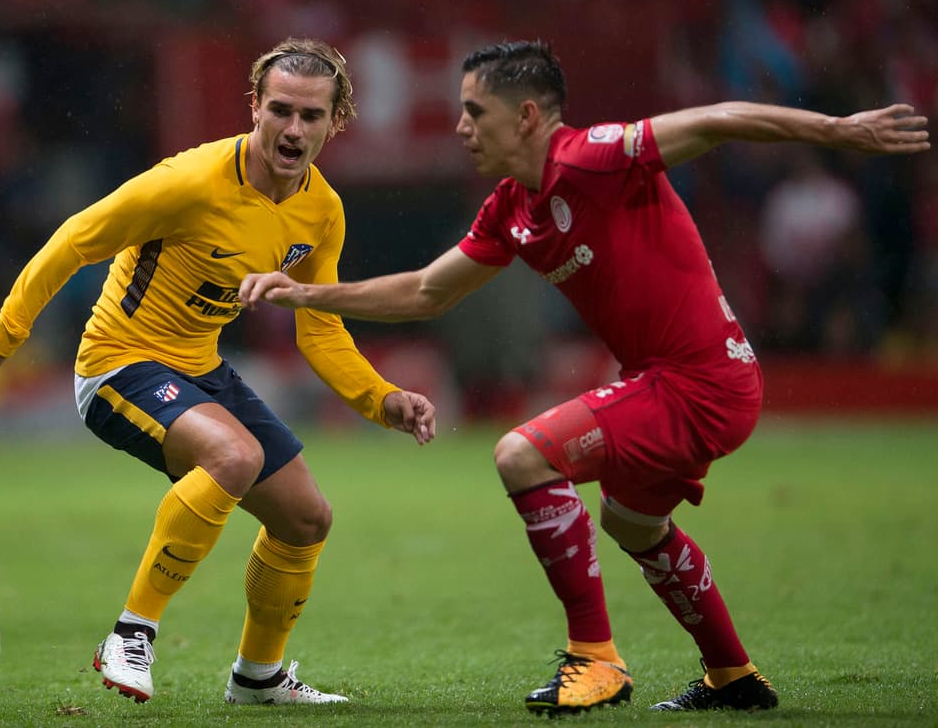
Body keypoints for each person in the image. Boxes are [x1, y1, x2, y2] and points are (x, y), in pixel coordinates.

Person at [239, 40, 930, 714]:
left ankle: (595, 658)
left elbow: (718, 119)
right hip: (668, 382)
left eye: (475, 112)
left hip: (701, 382)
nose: (460, 128)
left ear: (528, 117)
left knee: (522, 453)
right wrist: (306, 294)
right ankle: (732, 674)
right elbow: (425, 291)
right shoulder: (511, 207)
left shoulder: (595, 156)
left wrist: (839, 130)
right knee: (633, 524)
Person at [0, 37, 436, 705]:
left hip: (202, 369)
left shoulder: (322, 211)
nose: (293, 129)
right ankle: (131, 632)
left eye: (311, 116)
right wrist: (6, 334)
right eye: (281, 110)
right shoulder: (192, 181)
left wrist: (382, 399)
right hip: (119, 363)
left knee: (306, 518)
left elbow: (319, 326)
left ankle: (258, 677)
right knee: (234, 455)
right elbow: (77, 236)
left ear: (335, 121)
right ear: (255, 106)